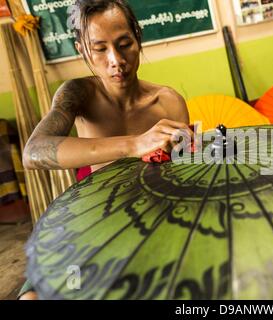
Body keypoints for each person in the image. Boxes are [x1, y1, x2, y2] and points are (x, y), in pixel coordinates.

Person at [19, 0, 193, 300]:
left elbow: (180, 175)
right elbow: (34, 152)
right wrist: (135, 143)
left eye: (124, 44)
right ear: (82, 50)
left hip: (153, 218)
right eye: (99, 49)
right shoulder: (79, 95)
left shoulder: (169, 102)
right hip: (94, 218)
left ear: (138, 39)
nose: (116, 60)